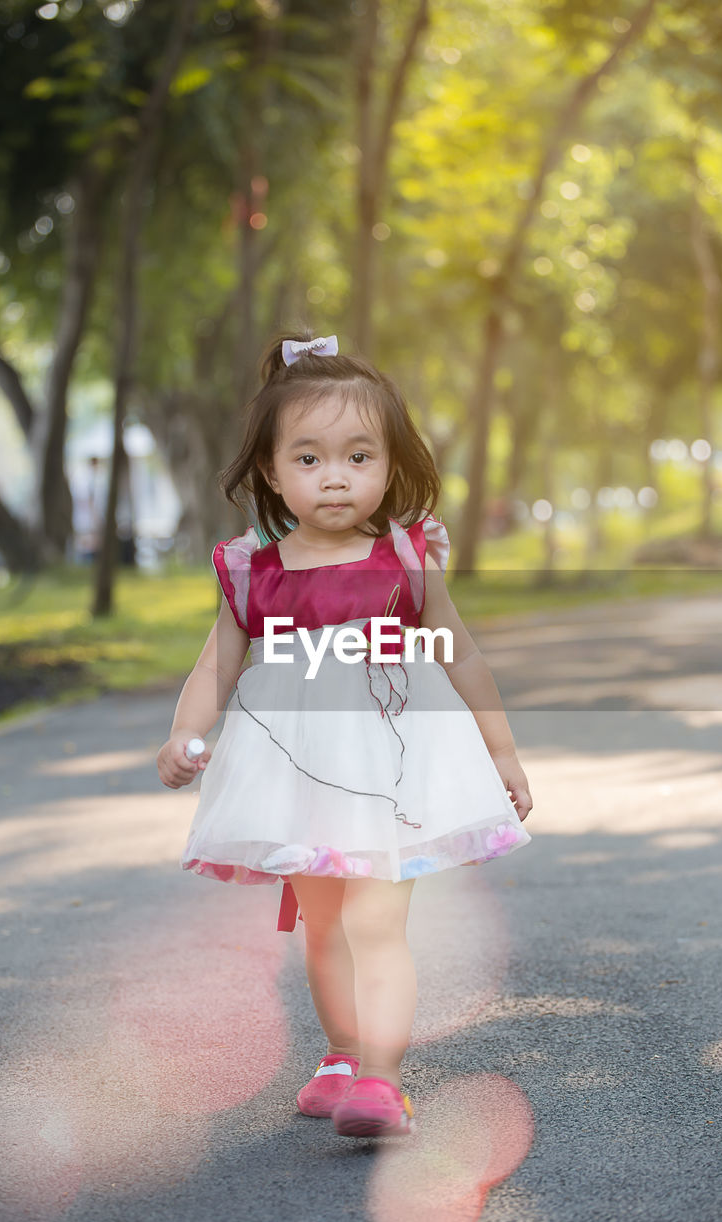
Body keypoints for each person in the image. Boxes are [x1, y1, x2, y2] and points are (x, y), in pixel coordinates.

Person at [156, 333, 533, 1138]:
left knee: (373, 922)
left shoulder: (404, 557)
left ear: (390, 465)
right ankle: (338, 1053)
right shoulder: (252, 568)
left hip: (393, 776)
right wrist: (186, 735)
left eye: (359, 457)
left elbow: (458, 652)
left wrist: (500, 752)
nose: (335, 476)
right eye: (310, 458)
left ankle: (381, 1079)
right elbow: (214, 670)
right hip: (296, 776)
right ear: (270, 470)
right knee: (322, 923)